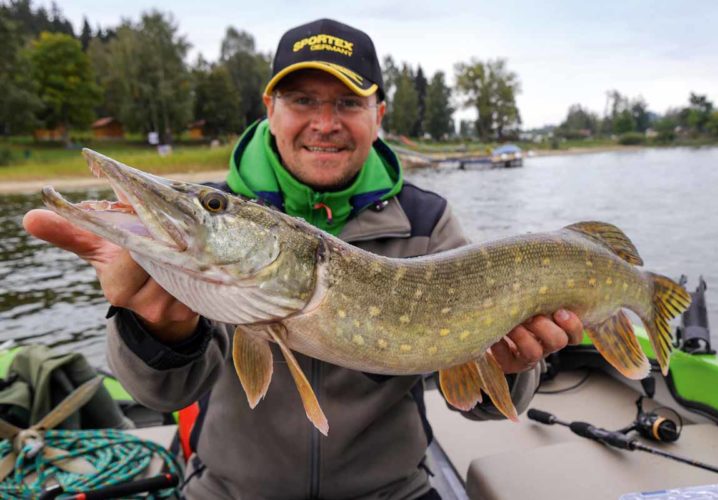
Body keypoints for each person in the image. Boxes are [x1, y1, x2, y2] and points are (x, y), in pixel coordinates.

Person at [24, 19, 583, 500]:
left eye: (347, 102)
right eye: (303, 100)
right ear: (270, 108)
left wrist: (512, 371)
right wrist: (156, 332)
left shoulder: (427, 222)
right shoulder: (216, 235)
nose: (325, 122)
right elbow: (162, 397)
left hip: (391, 490)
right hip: (230, 491)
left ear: (379, 114)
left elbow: (475, 400)